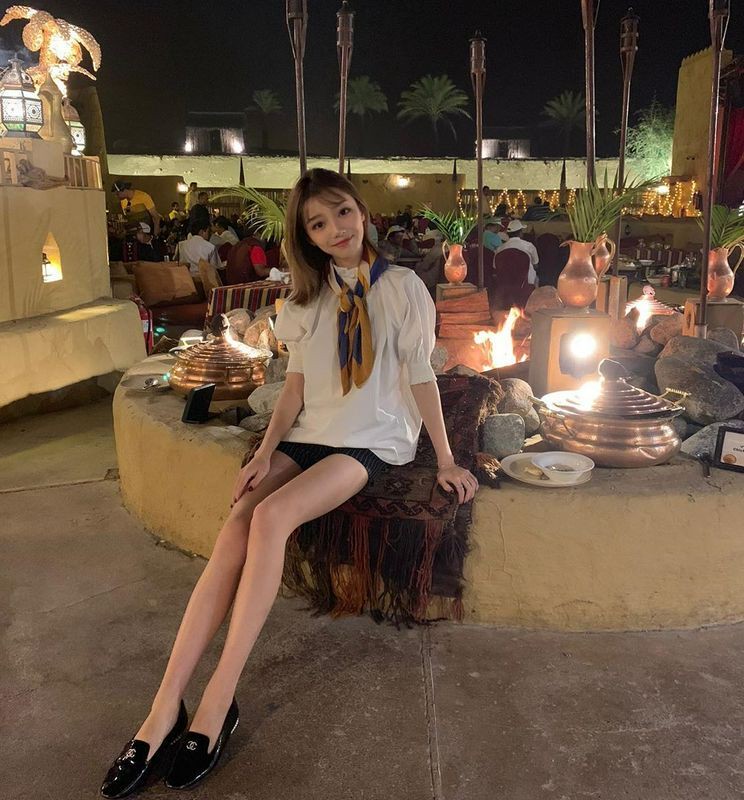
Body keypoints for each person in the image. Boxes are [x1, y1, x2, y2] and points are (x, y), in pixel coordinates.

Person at [99, 167, 478, 797]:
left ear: (362, 211)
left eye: (342, 212)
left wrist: (444, 458)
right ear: (306, 236)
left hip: (370, 438)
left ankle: (217, 700)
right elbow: (296, 388)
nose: (335, 230)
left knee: (271, 517)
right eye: (317, 223)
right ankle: (163, 709)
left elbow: (420, 376)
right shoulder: (306, 299)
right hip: (311, 431)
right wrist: (267, 452)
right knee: (239, 520)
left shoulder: (403, 287)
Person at [495, 219, 539, 285]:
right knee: (536, 279)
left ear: (508, 234)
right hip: (526, 282)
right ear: (520, 233)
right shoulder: (529, 246)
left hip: (505, 282)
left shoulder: (500, 249)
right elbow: (535, 265)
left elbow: (495, 267)